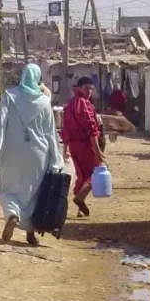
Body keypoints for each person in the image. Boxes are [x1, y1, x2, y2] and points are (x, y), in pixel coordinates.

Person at [0, 63, 64, 245]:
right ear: (37, 79)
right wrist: (56, 159)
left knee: (7, 189)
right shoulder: (44, 101)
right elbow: (50, 133)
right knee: (34, 194)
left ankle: (12, 213)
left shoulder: (9, 96)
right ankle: (30, 233)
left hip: (12, 152)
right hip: (38, 154)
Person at [61, 76, 104, 218]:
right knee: (95, 172)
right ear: (79, 88)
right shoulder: (85, 104)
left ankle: (79, 208)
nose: (89, 91)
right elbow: (92, 129)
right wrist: (98, 151)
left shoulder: (69, 105)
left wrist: (65, 148)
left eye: (91, 89)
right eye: (87, 88)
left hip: (73, 145)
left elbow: (65, 129)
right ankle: (80, 197)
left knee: (81, 175)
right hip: (86, 145)